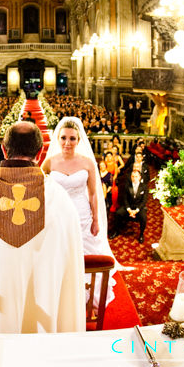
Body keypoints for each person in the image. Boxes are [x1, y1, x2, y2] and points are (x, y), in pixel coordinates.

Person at [0, 121, 85, 333]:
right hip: (45, 319)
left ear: (4, 150)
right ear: (41, 152)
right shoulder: (60, 200)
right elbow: (70, 269)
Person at [43, 117, 119, 307]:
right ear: (57, 139)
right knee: (58, 252)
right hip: (57, 213)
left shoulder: (87, 163)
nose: (67, 143)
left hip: (82, 214)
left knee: (86, 253)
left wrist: (95, 220)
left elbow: (93, 194)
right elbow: (39, 191)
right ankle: (60, 293)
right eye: (63, 138)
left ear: (78, 140)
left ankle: (88, 294)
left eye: (72, 139)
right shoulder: (49, 163)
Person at [113, 169, 148, 243]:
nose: (134, 178)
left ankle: (141, 234)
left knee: (144, 218)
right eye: (133, 176)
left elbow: (144, 201)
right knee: (117, 213)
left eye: (136, 176)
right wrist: (129, 209)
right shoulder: (127, 186)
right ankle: (116, 230)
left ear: (140, 177)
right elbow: (125, 199)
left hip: (139, 208)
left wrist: (136, 210)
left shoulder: (144, 187)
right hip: (129, 206)